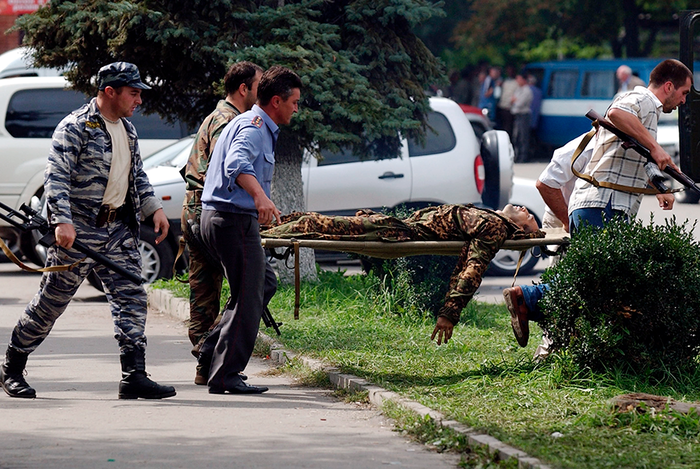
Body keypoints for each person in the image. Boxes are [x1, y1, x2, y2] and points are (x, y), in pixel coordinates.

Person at [0, 62, 176, 399]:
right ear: (110, 91)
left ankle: (134, 376)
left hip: (118, 231)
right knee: (50, 304)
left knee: (132, 296)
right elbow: (56, 179)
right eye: (133, 92)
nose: (139, 99)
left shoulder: (127, 129)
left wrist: (154, 208)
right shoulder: (75, 127)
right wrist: (62, 221)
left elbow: (137, 175)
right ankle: (11, 366)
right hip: (78, 233)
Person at [504, 59, 692, 347]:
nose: (684, 100)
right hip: (603, 204)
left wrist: (659, 185)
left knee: (598, 281)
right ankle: (528, 299)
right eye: (684, 92)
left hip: (602, 204)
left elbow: (632, 156)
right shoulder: (642, 98)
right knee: (598, 281)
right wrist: (655, 148)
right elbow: (617, 112)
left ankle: (550, 322)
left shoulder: (647, 112)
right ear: (669, 86)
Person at [260, 204, 543, 346]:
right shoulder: (493, 219)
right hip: (397, 225)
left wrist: (449, 313)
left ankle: (258, 233)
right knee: (309, 220)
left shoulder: (495, 229)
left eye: (528, 216)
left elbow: (472, 269)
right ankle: (261, 229)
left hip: (396, 232)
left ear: (522, 232)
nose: (523, 208)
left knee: (313, 223)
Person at [197, 66, 302, 395]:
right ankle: (227, 375)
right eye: (294, 102)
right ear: (276, 101)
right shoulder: (254, 127)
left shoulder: (249, 123)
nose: (296, 108)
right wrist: (260, 197)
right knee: (250, 296)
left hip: (225, 217)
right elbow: (237, 165)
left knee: (262, 284)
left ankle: (210, 348)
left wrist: (260, 201)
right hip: (231, 219)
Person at [180, 61, 263, 384]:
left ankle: (204, 366)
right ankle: (212, 350)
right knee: (253, 283)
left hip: (193, 211)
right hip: (211, 212)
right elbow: (229, 170)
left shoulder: (215, 116)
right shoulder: (230, 122)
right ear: (244, 89)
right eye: (258, 86)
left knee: (203, 293)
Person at [511, 73, 533, 163]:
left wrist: (515, 100)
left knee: (523, 136)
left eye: (519, 79)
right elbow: (511, 100)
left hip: (524, 114)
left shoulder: (527, 91)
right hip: (517, 115)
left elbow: (519, 103)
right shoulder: (518, 90)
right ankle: (518, 155)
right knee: (517, 136)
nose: (517, 81)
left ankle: (523, 156)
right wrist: (514, 100)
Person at [496, 65, 518, 135]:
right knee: (501, 125)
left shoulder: (516, 82)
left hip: (509, 108)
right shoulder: (504, 81)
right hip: (502, 106)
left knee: (508, 127)